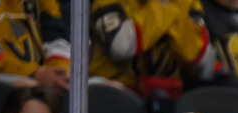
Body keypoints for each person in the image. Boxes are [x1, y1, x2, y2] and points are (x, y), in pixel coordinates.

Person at [88, 0, 217, 99]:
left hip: (171, 100)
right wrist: (163, 8)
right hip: (114, 96)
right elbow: (119, 47)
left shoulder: (187, 2)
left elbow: (206, 64)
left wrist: (170, 11)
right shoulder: (108, 1)